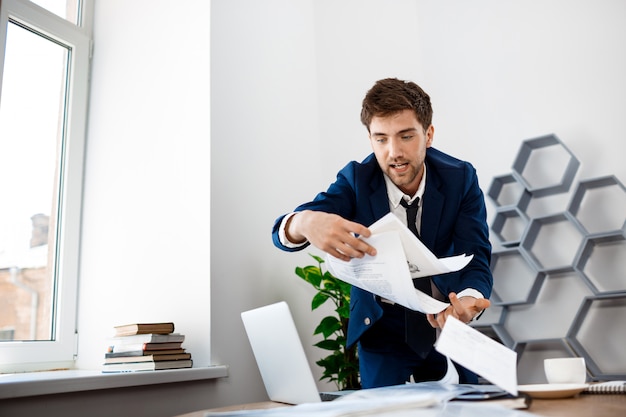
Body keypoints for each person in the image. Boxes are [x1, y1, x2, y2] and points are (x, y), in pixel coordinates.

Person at [271, 78, 493, 389]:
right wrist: (305, 223)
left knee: (471, 407)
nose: (394, 152)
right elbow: (285, 229)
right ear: (370, 139)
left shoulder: (461, 178)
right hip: (381, 331)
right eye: (381, 139)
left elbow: (476, 255)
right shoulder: (356, 180)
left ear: (428, 134)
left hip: (447, 324)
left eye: (406, 136)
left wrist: (469, 299)